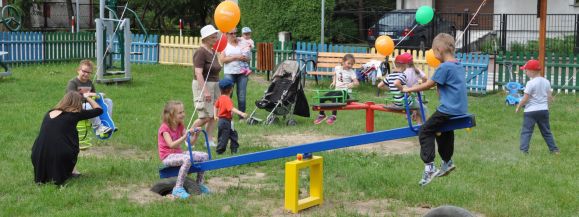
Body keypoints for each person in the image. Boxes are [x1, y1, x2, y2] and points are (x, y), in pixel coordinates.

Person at [401, 33, 468, 186]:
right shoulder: (458, 65)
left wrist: (409, 89)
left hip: (448, 109)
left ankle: (429, 167)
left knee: (425, 130)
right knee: (443, 130)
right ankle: (447, 161)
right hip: (459, 108)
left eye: (433, 51)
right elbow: (447, 85)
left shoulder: (444, 67)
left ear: (439, 49)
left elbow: (429, 84)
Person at [31, 91, 103, 185]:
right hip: (60, 154)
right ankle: (67, 172)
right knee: (70, 145)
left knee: (63, 141)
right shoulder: (75, 114)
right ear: (78, 103)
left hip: (38, 153)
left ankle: (50, 174)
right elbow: (99, 110)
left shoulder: (49, 112)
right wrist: (87, 97)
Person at [158, 101, 210, 198]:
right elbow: (171, 145)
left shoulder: (180, 125)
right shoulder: (164, 128)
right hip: (167, 157)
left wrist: (196, 135)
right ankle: (178, 188)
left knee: (204, 156)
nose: (183, 114)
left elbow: (190, 142)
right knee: (187, 159)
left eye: (183, 112)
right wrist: (184, 136)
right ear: (171, 115)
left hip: (178, 154)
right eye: (180, 113)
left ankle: (199, 184)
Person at [516, 59, 559, 154]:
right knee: (546, 132)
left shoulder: (530, 83)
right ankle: (554, 150)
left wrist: (519, 106)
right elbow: (549, 97)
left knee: (526, 131)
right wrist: (549, 103)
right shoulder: (546, 81)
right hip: (543, 111)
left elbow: (525, 98)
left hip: (530, 112)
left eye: (526, 70)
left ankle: (523, 151)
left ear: (531, 71)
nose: (525, 72)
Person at [191, 25, 221, 147]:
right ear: (206, 38)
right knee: (205, 116)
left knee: (214, 114)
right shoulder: (200, 52)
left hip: (215, 85)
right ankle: (190, 139)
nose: (216, 38)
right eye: (213, 36)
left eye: (215, 36)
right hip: (204, 85)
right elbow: (198, 73)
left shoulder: (213, 51)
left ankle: (208, 140)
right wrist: (206, 91)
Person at [66, 59, 115, 135]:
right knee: (89, 106)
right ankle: (98, 127)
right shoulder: (73, 82)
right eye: (84, 71)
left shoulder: (90, 83)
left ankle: (107, 123)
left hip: (89, 103)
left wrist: (98, 95)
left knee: (108, 101)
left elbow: (93, 95)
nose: (86, 74)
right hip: (75, 106)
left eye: (88, 72)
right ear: (78, 70)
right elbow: (71, 96)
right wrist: (85, 96)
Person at [313, 54, 359, 125]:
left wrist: (352, 84)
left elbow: (357, 83)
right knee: (322, 97)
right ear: (343, 62)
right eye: (348, 63)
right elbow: (335, 74)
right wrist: (334, 81)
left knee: (336, 96)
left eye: (352, 64)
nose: (350, 65)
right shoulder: (337, 68)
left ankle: (333, 116)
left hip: (345, 93)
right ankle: (322, 115)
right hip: (337, 90)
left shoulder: (351, 72)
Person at [219, 27, 250, 120]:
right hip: (230, 73)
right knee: (227, 95)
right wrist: (236, 57)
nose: (233, 35)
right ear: (226, 34)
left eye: (235, 33)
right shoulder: (224, 45)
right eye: (231, 33)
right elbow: (223, 60)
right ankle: (226, 115)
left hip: (242, 73)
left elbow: (248, 58)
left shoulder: (242, 43)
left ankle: (242, 117)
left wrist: (244, 58)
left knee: (242, 95)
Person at [214, 78, 248, 154]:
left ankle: (234, 149)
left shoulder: (220, 98)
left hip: (225, 121)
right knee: (223, 137)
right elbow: (231, 108)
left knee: (233, 134)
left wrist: (215, 115)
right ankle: (219, 151)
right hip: (224, 121)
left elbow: (215, 106)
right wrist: (241, 113)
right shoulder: (226, 99)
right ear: (230, 89)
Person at [400, 53, 429, 123]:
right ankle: (416, 115)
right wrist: (420, 84)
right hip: (419, 95)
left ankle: (413, 113)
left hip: (409, 97)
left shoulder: (404, 73)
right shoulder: (417, 70)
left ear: (404, 63)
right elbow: (425, 79)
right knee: (420, 111)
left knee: (414, 107)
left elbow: (400, 85)